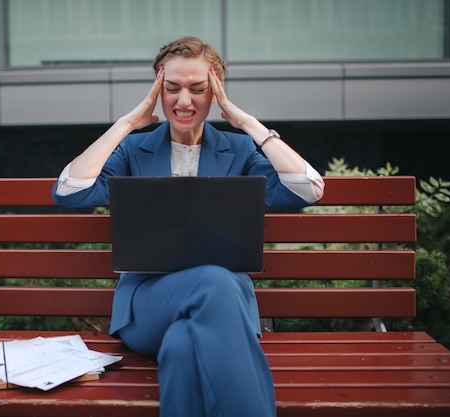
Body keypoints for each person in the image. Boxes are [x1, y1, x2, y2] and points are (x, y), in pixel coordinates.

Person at [52, 36, 325, 417]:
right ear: (157, 91)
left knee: (181, 349)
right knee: (215, 280)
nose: (184, 101)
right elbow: (69, 191)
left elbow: (309, 189)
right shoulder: (134, 151)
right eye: (172, 88)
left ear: (215, 92)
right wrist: (128, 122)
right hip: (148, 305)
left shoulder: (240, 152)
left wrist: (246, 122)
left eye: (198, 89)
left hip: (223, 310)